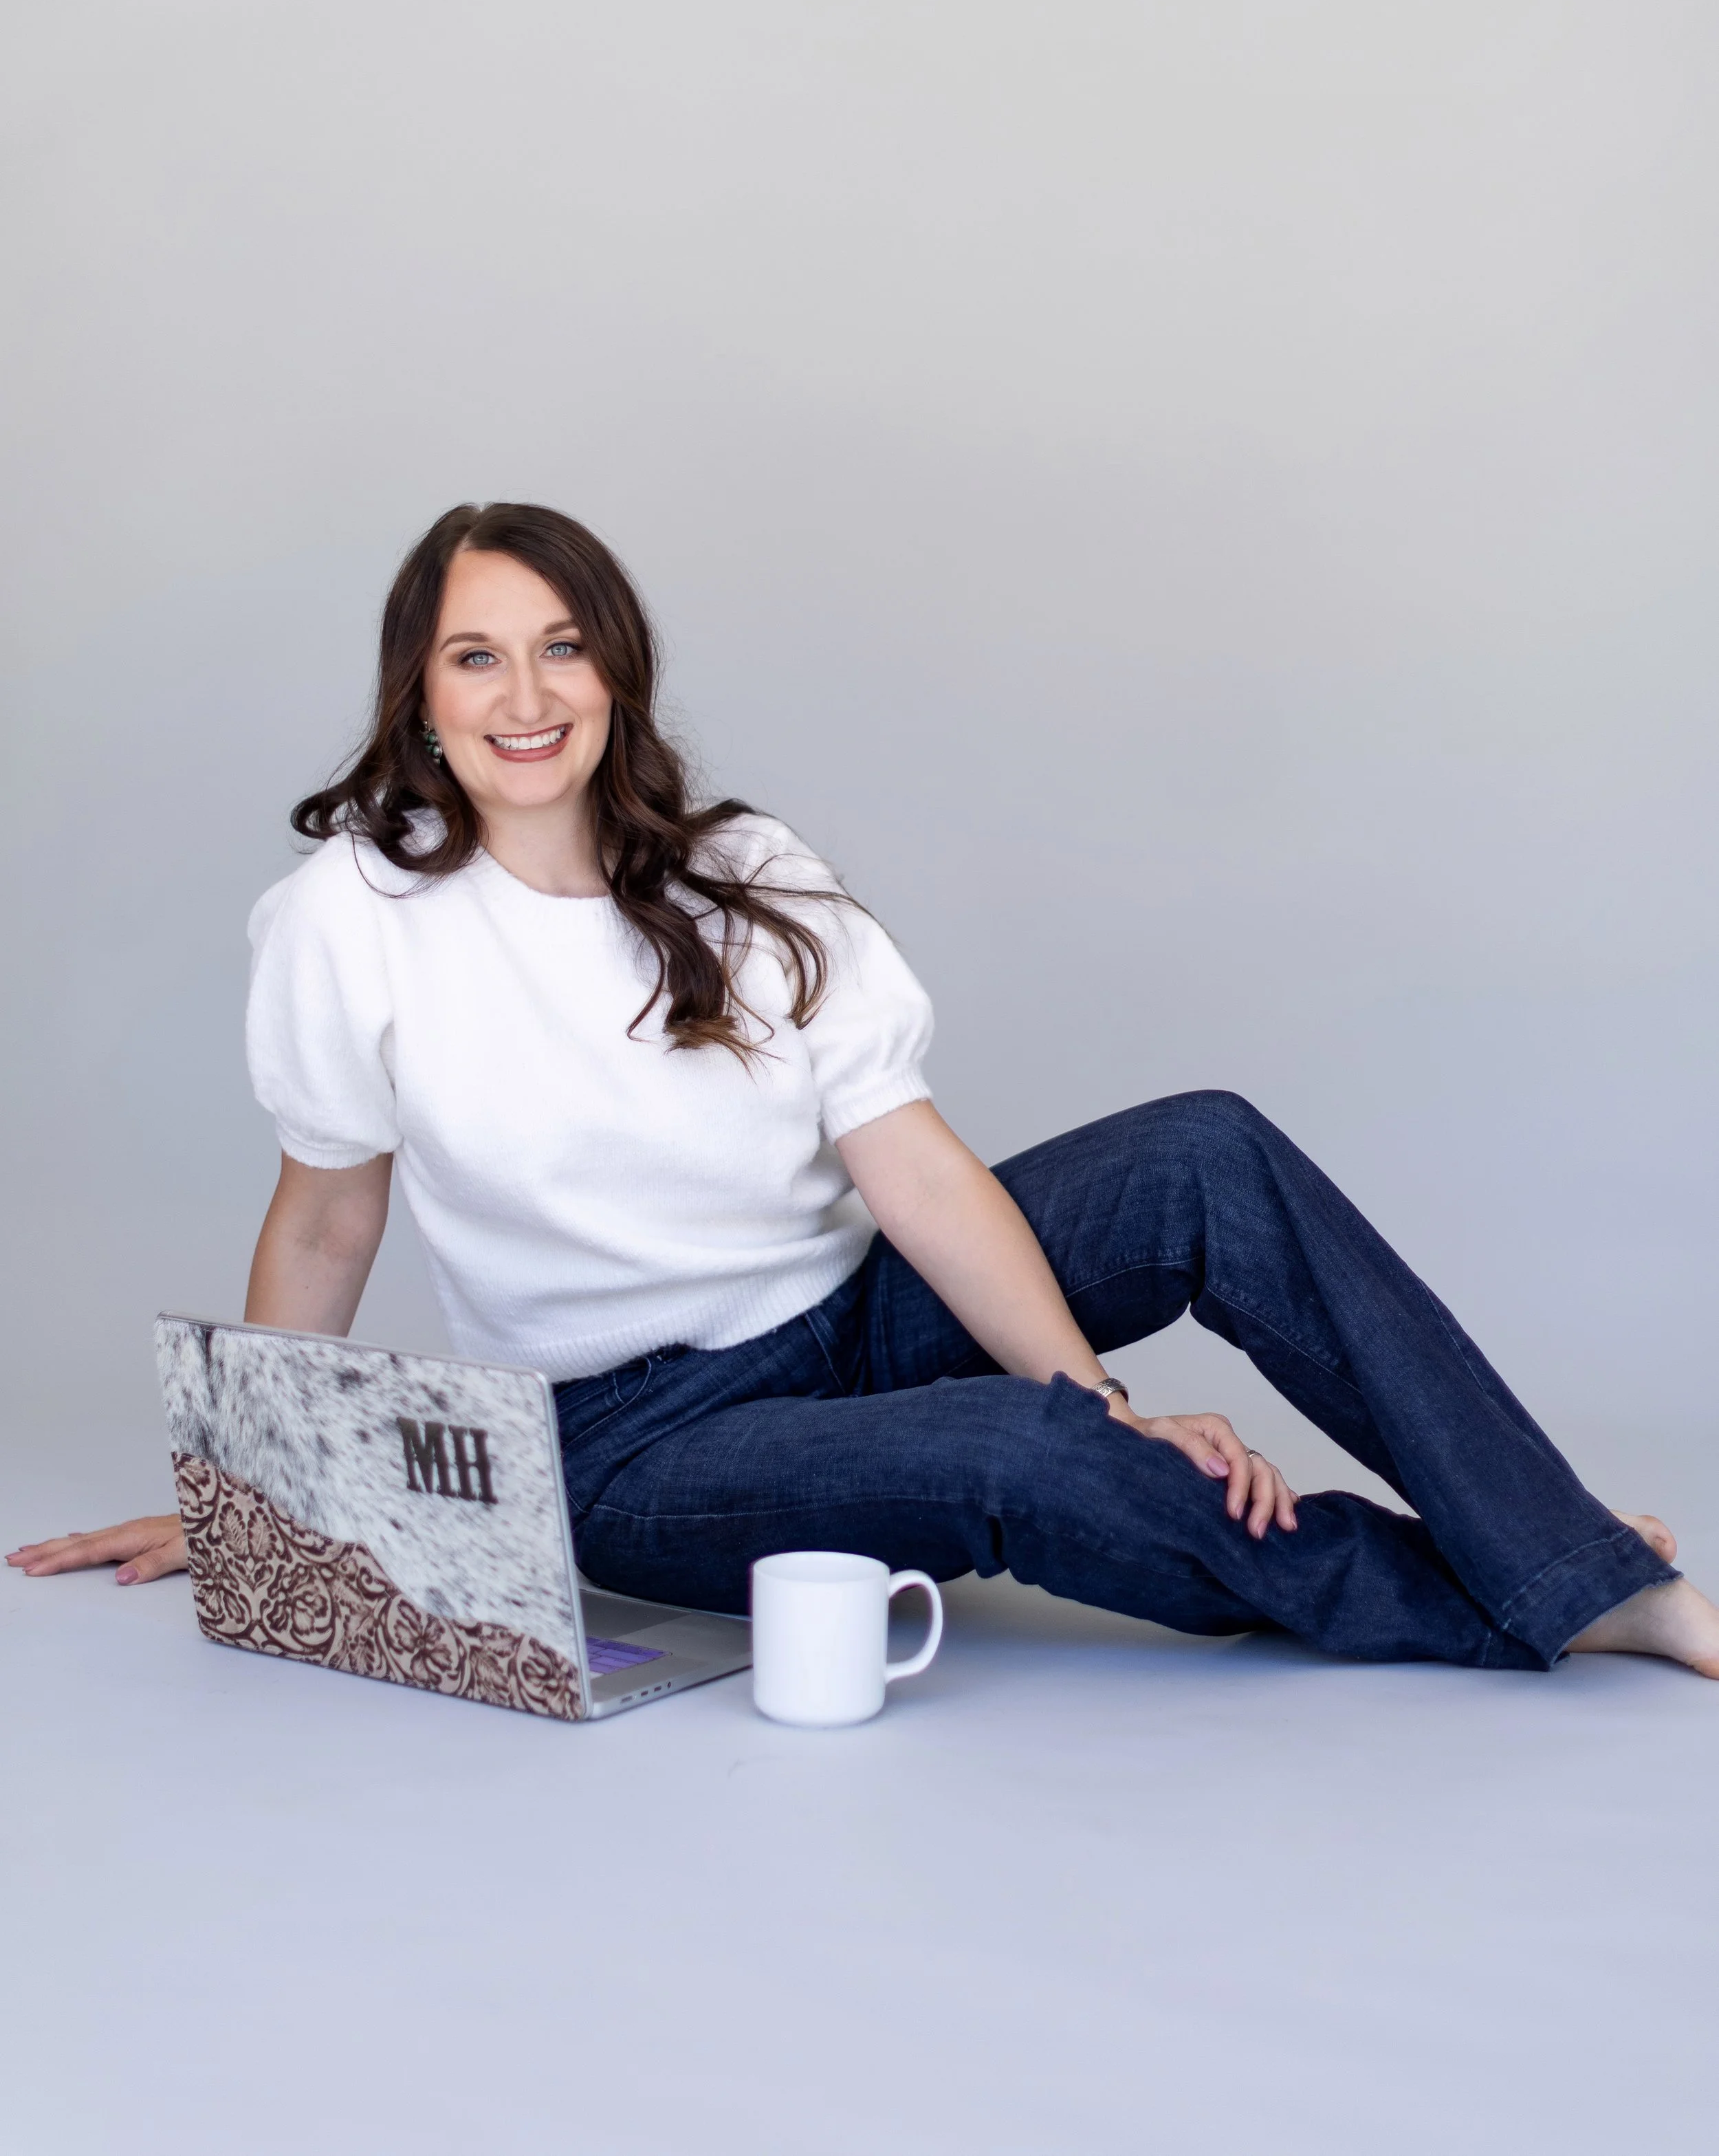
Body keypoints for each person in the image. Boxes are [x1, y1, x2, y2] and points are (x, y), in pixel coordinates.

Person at [11, 501, 1717, 1679]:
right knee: (1032, 1465)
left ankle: (1573, 1561)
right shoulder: (352, 923)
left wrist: (1097, 1392)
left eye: (559, 649)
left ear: (615, 671)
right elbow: (325, 1218)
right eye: (475, 659)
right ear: (421, 691)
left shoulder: (744, 870)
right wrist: (252, 1502)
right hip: (634, 1444)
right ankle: (1543, 1593)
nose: (525, 698)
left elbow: (907, 1167)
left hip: (856, 1311)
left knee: (1201, 1154)